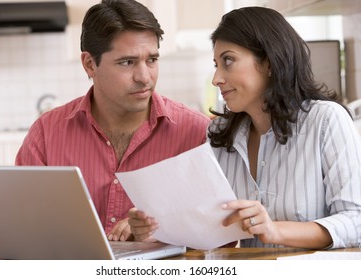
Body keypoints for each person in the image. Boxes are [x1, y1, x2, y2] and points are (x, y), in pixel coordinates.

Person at [128, 6, 361, 249]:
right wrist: (159, 230)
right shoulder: (218, 135)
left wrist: (275, 230)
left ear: (269, 62)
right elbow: (210, 230)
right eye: (216, 64)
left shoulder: (325, 121)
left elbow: (356, 221)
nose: (216, 78)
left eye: (228, 61)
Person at [16, 0, 209, 242]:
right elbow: (22, 228)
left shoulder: (197, 133)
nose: (144, 77)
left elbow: (220, 237)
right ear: (89, 64)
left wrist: (161, 230)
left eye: (151, 60)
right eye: (127, 62)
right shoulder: (46, 133)